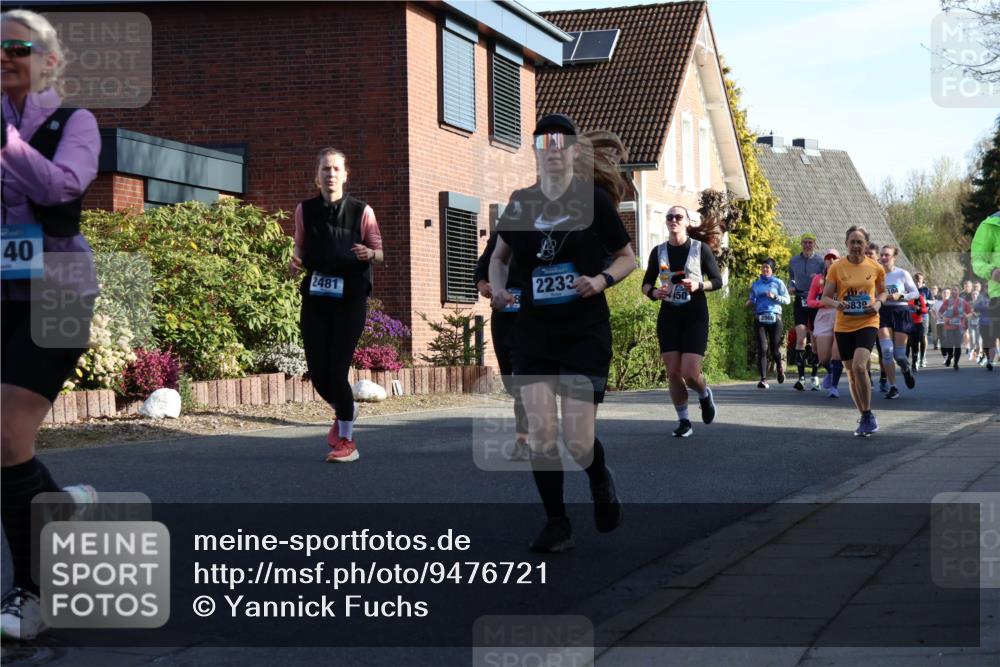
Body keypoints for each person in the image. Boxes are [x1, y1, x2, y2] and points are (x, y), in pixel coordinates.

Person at [489, 114, 635, 553]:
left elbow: (627, 256)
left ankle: (599, 478)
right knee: (541, 431)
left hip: (583, 333)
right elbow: (499, 256)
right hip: (533, 332)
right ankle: (557, 523)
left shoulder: (593, 201)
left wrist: (601, 281)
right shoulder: (521, 203)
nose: (552, 150)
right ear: (536, 152)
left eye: (560, 144)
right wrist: (497, 289)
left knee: (577, 438)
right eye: (544, 143)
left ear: (573, 152)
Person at [1, 9, 102, 640]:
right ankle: (60, 505)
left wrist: (6, 148)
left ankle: (33, 595)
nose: (5, 54)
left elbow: (64, 187)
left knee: (7, 430)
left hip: (61, 291)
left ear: (50, 61)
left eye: (19, 46)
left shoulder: (75, 122)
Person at [290, 147, 383, 463]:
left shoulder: (361, 211)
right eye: (325, 169)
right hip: (316, 300)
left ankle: (347, 441)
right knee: (318, 375)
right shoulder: (305, 210)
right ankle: (347, 409)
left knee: (337, 368)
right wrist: (295, 262)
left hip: (350, 300)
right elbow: (300, 246)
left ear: (345, 175)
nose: (330, 174)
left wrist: (370, 255)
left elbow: (379, 252)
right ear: (316, 177)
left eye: (335, 169)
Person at [641, 205, 725, 437]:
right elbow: (646, 283)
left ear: (688, 222)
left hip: (695, 314)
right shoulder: (658, 251)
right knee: (673, 372)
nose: (673, 220)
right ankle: (684, 421)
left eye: (678, 217)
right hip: (669, 315)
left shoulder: (701, 249)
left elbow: (718, 281)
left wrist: (700, 285)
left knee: (689, 372)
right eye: (669, 217)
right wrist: (653, 293)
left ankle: (704, 394)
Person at [821, 226, 887, 437]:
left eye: (860, 242)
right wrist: (837, 304)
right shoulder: (837, 268)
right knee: (850, 374)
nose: (856, 246)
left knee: (860, 366)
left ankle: (867, 414)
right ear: (846, 244)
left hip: (868, 321)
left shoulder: (875, 267)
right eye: (852, 242)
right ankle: (864, 415)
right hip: (844, 324)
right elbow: (825, 297)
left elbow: (883, 292)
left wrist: (877, 304)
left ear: (866, 244)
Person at [476, 233, 528, 460]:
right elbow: (481, 269)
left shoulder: (544, 234)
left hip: (531, 317)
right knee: (510, 380)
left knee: (523, 381)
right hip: (504, 316)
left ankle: (523, 440)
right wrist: (484, 285)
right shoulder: (501, 235)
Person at [875, 245, 917, 399]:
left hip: (901, 311)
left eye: (887, 255)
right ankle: (893, 387)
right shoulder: (876, 274)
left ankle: (906, 370)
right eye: (882, 255)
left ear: (894, 257)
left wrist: (900, 296)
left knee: (899, 356)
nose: (884, 258)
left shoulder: (902, 273)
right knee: (886, 351)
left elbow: (915, 293)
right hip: (884, 312)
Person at [787, 233, 824, 390]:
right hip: (800, 299)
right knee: (800, 337)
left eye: (810, 243)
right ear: (801, 244)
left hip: (815, 300)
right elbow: (791, 278)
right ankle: (801, 378)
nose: (807, 245)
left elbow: (826, 279)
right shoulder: (794, 260)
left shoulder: (820, 261)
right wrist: (791, 286)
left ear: (814, 244)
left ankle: (815, 377)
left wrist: (819, 282)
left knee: (815, 338)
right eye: (805, 243)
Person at [746, 258, 790, 388]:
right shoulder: (756, 284)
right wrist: (749, 302)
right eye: (763, 267)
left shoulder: (778, 283)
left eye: (768, 268)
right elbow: (752, 297)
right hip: (760, 317)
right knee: (762, 348)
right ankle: (763, 379)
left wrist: (774, 297)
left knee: (774, 349)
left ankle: (780, 369)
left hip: (774, 317)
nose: (765, 269)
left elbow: (787, 300)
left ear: (772, 270)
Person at [807, 249, 845, 397]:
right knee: (823, 358)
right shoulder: (818, 279)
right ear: (824, 261)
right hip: (824, 315)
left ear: (839, 260)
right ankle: (830, 371)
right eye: (828, 258)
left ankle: (834, 387)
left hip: (841, 316)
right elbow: (810, 301)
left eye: (834, 258)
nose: (831, 261)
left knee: (836, 354)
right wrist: (823, 303)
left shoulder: (845, 278)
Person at [939, 285, 971, 370]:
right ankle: (950, 356)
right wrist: (944, 318)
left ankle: (956, 363)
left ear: (959, 292)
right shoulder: (947, 302)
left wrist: (966, 316)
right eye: (952, 290)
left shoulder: (963, 302)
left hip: (960, 326)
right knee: (949, 344)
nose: (953, 291)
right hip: (949, 326)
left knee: (957, 345)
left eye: (955, 290)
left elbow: (970, 312)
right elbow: (940, 312)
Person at [906, 290, 929, 372]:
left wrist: (919, 308)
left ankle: (914, 363)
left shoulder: (919, 298)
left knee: (915, 344)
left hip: (917, 323)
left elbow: (925, 310)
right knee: (906, 344)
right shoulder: (903, 297)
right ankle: (905, 364)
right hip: (905, 323)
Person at [972, 289, 994, 370]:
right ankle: (988, 358)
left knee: (992, 342)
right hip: (983, 324)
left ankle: (990, 361)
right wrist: (985, 306)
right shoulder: (982, 299)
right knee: (985, 343)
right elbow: (976, 308)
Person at [914, 272, 932, 366]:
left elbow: (932, 301)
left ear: (922, 281)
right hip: (913, 315)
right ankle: (915, 357)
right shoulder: (910, 290)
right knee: (914, 338)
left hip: (924, 315)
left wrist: (926, 302)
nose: (917, 283)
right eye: (915, 281)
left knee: (923, 336)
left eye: (919, 281)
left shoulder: (926, 290)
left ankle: (923, 357)